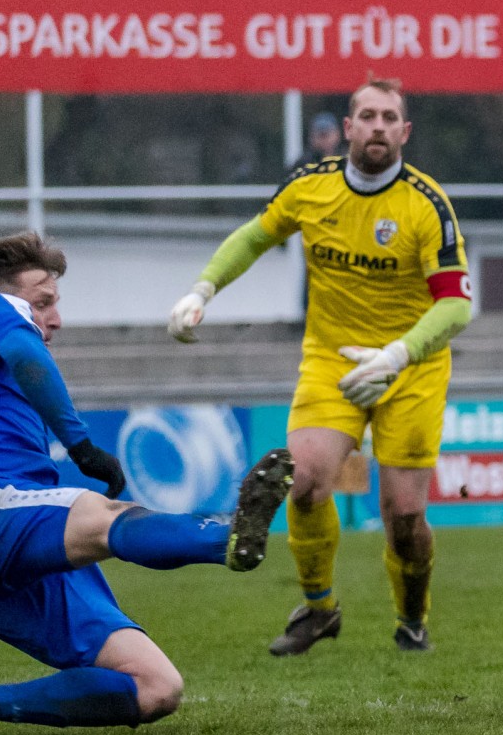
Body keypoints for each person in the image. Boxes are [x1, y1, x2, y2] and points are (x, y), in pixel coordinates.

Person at [167, 77, 472, 656]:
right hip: (331, 359)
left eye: (389, 118)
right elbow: (256, 237)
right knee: (304, 482)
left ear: (404, 132)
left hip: (410, 367)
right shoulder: (310, 187)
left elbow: (456, 304)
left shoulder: (426, 204)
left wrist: (400, 353)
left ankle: (412, 618)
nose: (378, 126)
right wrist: (203, 289)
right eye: (367, 116)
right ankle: (319, 609)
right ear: (346, 129)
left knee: (404, 516)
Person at [0, 231, 293, 729]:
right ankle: (226, 537)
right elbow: (25, 353)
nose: (55, 319)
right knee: (104, 518)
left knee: (157, 687)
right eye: (44, 303)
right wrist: (80, 445)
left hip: (16, 542)